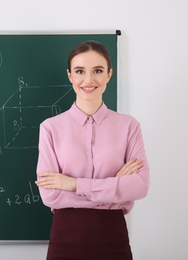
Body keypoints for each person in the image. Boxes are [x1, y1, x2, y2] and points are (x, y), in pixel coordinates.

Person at [35, 40, 149, 260]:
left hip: (113, 236)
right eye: (80, 71)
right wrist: (115, 188)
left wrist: (73, 184)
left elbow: (140, 186)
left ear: (109, 74)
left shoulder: (129, 126)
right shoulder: (50, 128)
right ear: (70, 75)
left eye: (97, 70)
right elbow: (50, 195)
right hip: (65, 236)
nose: (88, 80)